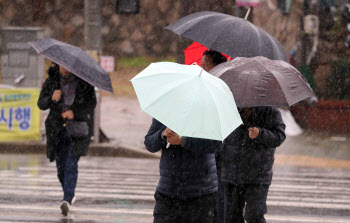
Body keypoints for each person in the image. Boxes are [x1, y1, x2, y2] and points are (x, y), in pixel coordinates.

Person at [38, 63, 96, 216]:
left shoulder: (84, 82)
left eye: (69, 66)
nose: (65, 69)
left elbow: (91, 105)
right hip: (56, 130)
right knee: (60, 169)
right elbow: (41, 104)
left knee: (71, 164)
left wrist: (74, 112)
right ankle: (69, 192)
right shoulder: (52, 81)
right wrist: (52, 98)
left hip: (76, 131)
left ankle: (67, 199)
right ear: (58, 65)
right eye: (62, 66)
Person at [145, 119, 221, 223]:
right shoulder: (167, 112)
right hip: (168, 192)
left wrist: (183, 141)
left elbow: (215, 144)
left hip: (201, 193)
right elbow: (149, 144)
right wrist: (163, 134)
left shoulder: (205, 114)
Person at [222, 107, 286, 223]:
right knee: (231, 217)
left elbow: (279, 136)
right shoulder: (228, 109)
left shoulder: (270, 111)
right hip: (232, 173)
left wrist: (260, 134)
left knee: (254, 216)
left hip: (258, 175)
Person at [201, 49, 227, 223]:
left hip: (222, 159)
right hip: (205, 158)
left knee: (219, 204)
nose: (201, 68)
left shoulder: (226, 91)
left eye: (205, 65)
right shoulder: (203, 88)